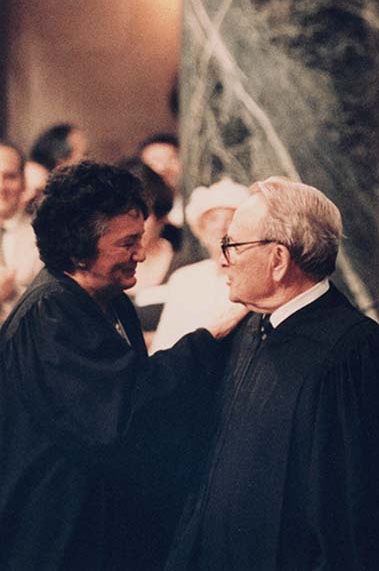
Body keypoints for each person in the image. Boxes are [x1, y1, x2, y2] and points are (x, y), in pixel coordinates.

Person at [165, 177, 379, 571]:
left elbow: (374, 520)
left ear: (278, 260)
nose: (223, 258)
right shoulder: (249, 328)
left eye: (233, 245)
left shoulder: (354, 358)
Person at [0, 161, 244, 570]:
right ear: (79, 246)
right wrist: (208, 339)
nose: (141, 254)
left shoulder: (108, 298)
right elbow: (120, 415)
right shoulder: (50, 313)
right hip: (53, 540)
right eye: (127, 243)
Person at [151, 178, 250, 352]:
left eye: (230, 219)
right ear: (201, 231)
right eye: (213, 220)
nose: (221, 227)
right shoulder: (184, 278)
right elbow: (164, 342)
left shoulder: (252, 278)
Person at [0, 142, 42, 320]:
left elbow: (54, 308)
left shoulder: (42, 236)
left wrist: (12, 295)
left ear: (24, 182)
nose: (1, 187)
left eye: (9, 177)